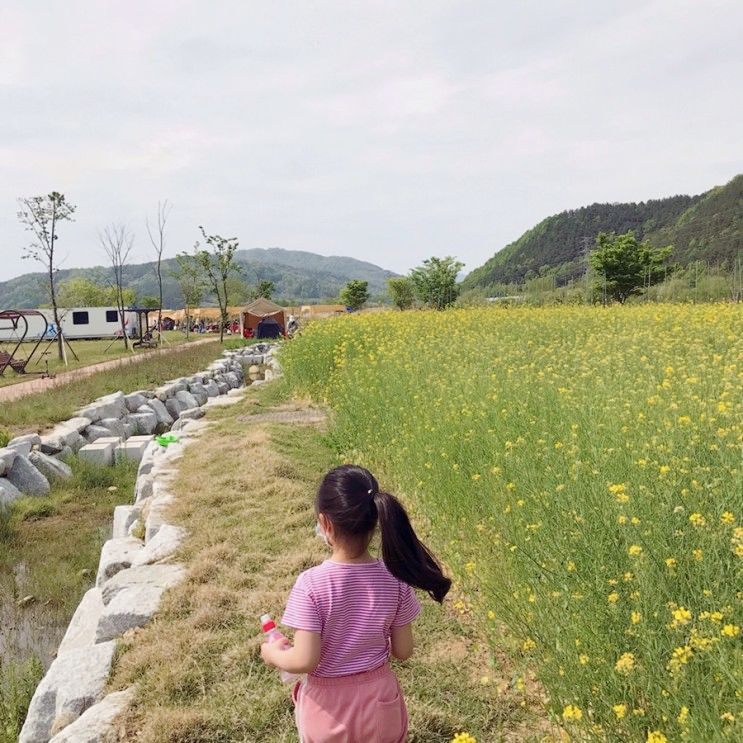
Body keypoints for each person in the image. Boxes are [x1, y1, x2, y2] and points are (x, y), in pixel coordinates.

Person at [260, 464, 451, 742]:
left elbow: (304, 659)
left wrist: (272, 653)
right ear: (375, 521)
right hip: (381, 701)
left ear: (325, 524)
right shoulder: (395, 578)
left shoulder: (311, 584)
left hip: (328, 709)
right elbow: (404, 650)